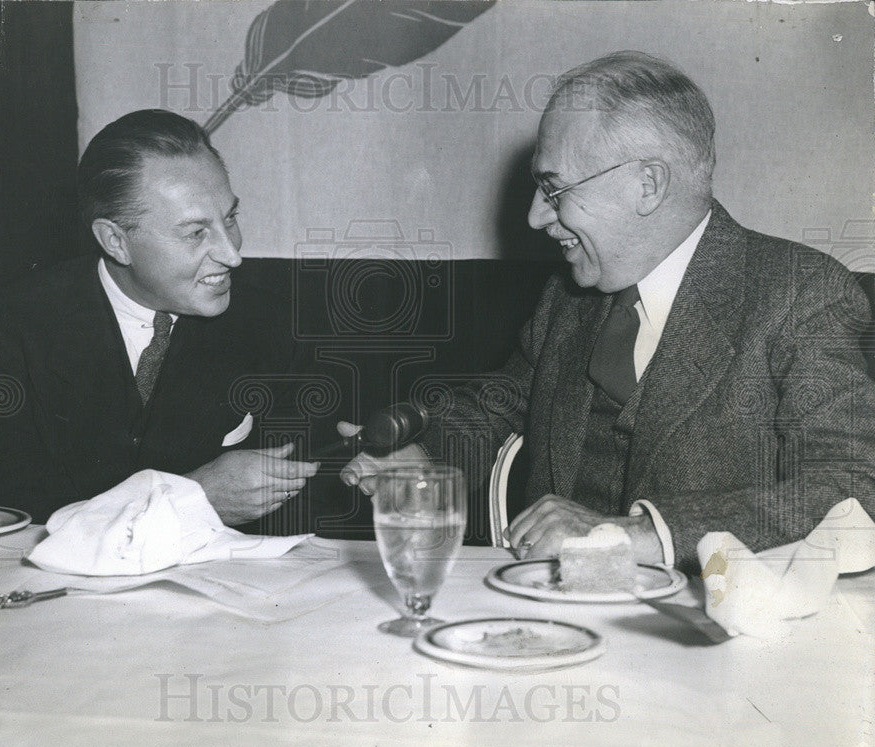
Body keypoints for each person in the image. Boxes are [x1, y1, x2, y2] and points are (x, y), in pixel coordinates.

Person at [342, 51, 875, 573]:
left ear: (648, 184)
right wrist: (427, 458)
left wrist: (638, 534)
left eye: (554, 188)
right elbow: (499, 404)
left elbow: (853, 490)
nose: (533, 217)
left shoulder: (800, 293)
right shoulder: (570, 298)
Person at [0, 109, 320, 525]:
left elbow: (309, 498)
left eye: (230, 218)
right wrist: (188, 499)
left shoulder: (270, 321)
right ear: (116, 241)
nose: (232, 254)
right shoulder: (8, 332)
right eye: (195, 233)